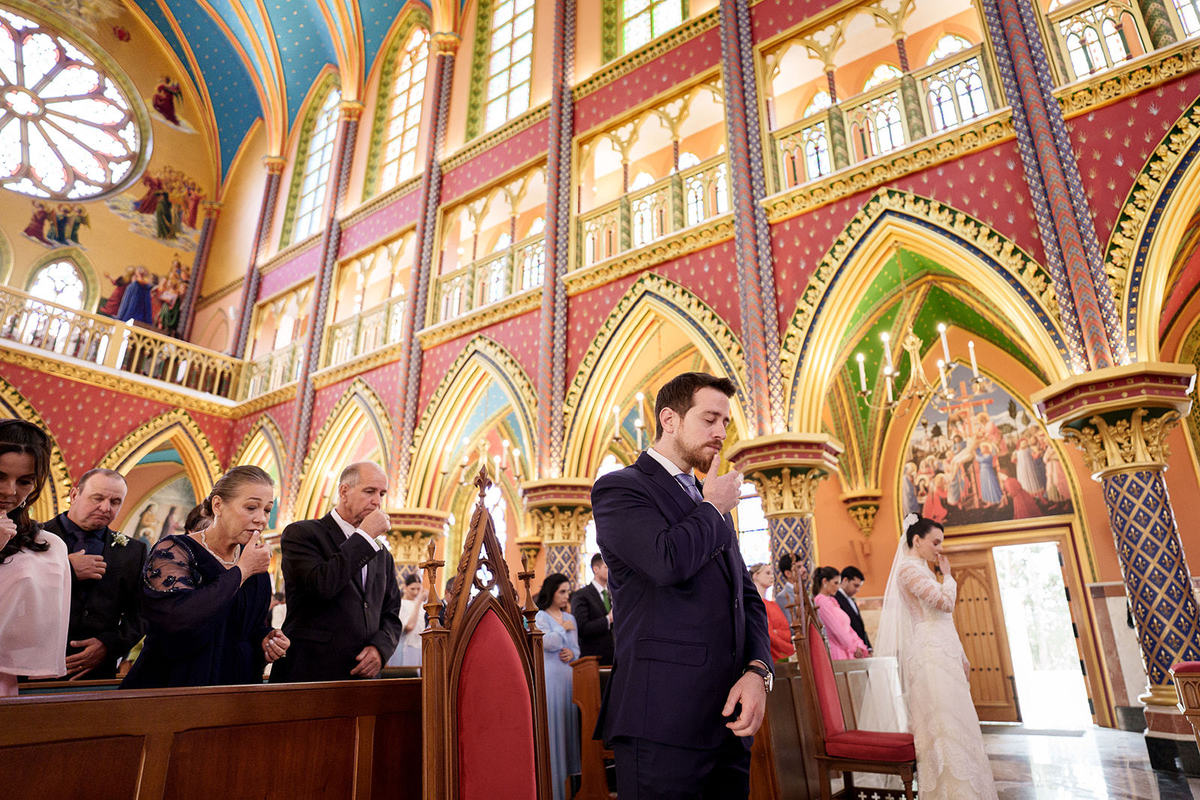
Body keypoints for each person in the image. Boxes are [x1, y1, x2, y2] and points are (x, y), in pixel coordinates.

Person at [592, 371, 771, 799]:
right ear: (669, 420)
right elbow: (666, 562)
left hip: (727, 719)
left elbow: (746, 598)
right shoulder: (620, 488)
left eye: (725, 422)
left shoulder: (709, 498)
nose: (720, 433)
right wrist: (712, 507)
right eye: (709, 419)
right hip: (662, 720)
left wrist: (758, 671)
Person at [861, 514, 998, 799]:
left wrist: (960, 653)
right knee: (943, 722)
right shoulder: (908, 571)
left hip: (943, 649)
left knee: (959, 719)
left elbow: (945, 619)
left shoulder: (923, 570)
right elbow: (944, 604)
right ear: (917, 540)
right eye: (935, 543)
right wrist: (948, 576)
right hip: (930, 653)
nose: (940, 549)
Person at [121, 466, 287, 688]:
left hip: (235, 685)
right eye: (251, 507)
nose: (261, 519)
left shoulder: (253, 559)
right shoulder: (174, 550)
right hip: (176, 683)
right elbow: (178, 619)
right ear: (218, 505)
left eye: (267, 510)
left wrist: (265, 639)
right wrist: (241, 571)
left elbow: (245, 626)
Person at [270, 462, 402, 682]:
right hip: (312, 672)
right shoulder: (302, 534)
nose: (377, 501)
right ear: (344, 491)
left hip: (363, 678)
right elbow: (322, 586)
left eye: (382, 494)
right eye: (369, 491)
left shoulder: (381, 554)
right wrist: (364, 536)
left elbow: (391, 612)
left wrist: (380, 649)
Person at [42, 468, 147, 679]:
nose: (105, 508)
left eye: (115, 502)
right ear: (74, 495)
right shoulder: (35, 537)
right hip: (34, 662)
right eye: (97, 498)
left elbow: (143, 611)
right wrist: (66, 571)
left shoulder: (133, 551)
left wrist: (109, 645)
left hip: (96, 671)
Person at [0, 420, 70, 696]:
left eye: (24, 481)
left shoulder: (47, 546)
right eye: (0, 476)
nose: (10, 491)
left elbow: (37, 631)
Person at [535, 573, 581, 800]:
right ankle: (552, 789)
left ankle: (572, 789)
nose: (566, 596)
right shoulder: (540, 617)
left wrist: (572, 653)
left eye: (567, 592)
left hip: (568, 679)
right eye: (562, 592)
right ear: (551, 592)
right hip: (550, 679)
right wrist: (561, 628)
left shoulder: (570, 618)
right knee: (553, 731)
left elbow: (576, 649)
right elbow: (546, 643)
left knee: (569, 729)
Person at [812, 566, 868, 660]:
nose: (838, 587)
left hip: (844, 647)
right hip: (836, 649)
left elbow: (847, 628)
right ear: (825, 581)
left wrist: (859, 644)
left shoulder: (831, 600)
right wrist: (853, 647)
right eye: (835, 583)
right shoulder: (821, 601)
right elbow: (837, 630)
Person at [570, 552, 614, 665]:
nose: (611, 570)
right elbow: (582, 628)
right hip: (594, 658)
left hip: (614, 656)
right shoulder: (581, 595)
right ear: (596, 569)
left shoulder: (613, 594)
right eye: (606, 567)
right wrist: (608, 619)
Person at [749, 563, 794, 662]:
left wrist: (778, 632)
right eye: (767, 573)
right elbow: (769, 635)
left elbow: (787, 631)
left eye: (772, 574)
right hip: (772, 656)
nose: (772, 576)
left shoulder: (773, 604)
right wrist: (792, 649)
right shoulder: (754, 604)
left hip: (784, 651)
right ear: (755, 576)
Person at [386, 574, 425, 667]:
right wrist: (418, 603)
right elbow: (409, 627)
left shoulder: (422, 605)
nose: (415, 592)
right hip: (405, 647)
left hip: (420, 647)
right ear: (405, 587)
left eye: (418, 589)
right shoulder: (400, 604)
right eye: (412, 589)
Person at [835, 565, 871, 652]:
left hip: (860, 648)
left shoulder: (851, 600)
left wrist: (868, 647)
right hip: (849, 649)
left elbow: (860, 626)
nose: (857, 590)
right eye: (855, 585)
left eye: (859, 586)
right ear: (845, 580)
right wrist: (854, 647)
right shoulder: (835, 599)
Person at [775, 552, 799, 624]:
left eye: (803, 566)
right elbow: (790, 624)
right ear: (788, 573)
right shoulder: (782, 596)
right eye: (799, 567)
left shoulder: (804, 593)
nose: (804, 570)